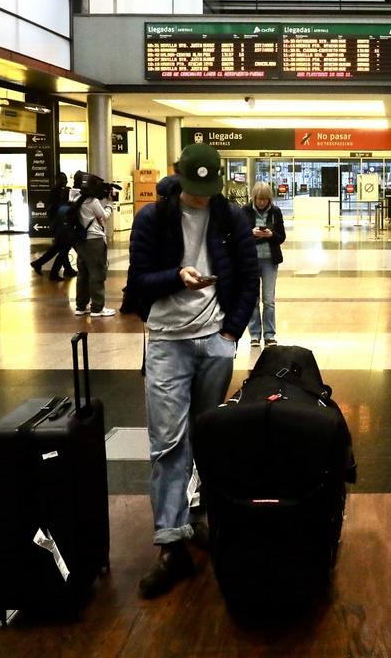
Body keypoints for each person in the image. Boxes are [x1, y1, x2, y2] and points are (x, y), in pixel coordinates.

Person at [126, 143, 259, 599]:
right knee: (167, 444)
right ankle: (170, 544)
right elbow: (136, 282)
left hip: (214, 342)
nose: (201, 198)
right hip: (167, 343)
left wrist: (230, 334)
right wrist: (174, 276)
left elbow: (248, 276)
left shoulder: (230, 217)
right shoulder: (152, 218)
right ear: (178, 175)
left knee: (207, 439)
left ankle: (199, 518)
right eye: (194, 189)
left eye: (208, 189)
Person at [246, 181, 286, 348]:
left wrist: (270, 234)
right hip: (251, 261)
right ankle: (254, 334)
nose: (262, 202)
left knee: (268, 300)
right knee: (252, 300)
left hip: (270, 261)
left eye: (265, 199)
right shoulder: (245, 211)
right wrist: (251, 233)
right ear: (254, 198)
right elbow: (236, 236)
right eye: (259, 199)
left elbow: (281, 237)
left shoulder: (275, 212)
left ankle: (270, 334)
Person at [72, 174, 114, 317]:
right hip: (94, 240)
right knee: (97, 273)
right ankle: (97, 307)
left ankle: (81, 306)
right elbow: (104, 216)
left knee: (82, 273)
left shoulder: (76, 198)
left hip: (81, 241)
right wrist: (109, 204)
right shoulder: (93, 201)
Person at [31, 171, 77, 280]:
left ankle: (40, 263)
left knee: (60, 247)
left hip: (62, 223)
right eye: (62, 179)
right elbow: (56, 208)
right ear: (57, 180)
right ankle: (54, 272)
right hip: (60, 224)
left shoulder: (66, 191)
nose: (65, 181)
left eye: (65, 179)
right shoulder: (55, 192)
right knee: (64, 247)